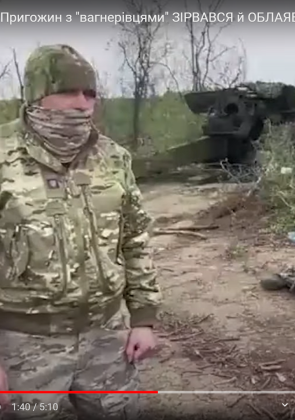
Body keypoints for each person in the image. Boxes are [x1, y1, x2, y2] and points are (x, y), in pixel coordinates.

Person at [0, 44, 162, 419]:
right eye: (68, 91)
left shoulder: (113, 157)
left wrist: (143, 319)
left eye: (89, 93)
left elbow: (135, 240)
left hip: (107, 339)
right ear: (36, 94)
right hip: (24, 347)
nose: (81, 103)